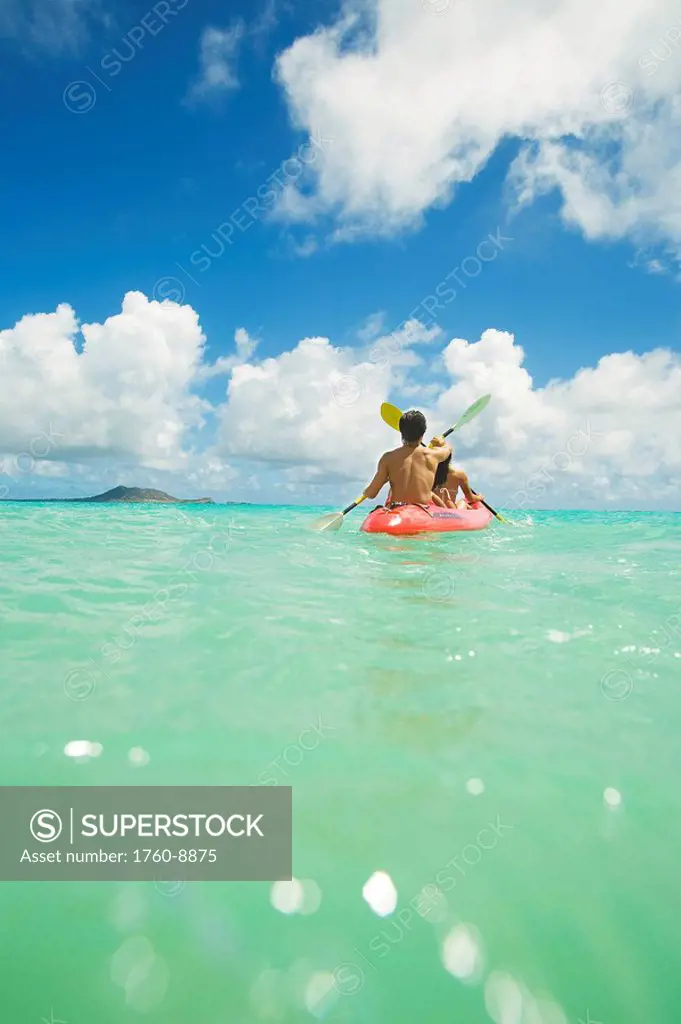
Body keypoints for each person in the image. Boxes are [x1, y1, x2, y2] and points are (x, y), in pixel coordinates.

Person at [362, 409, 452, 507]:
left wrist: (370, 489)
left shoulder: (388, 458)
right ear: (423, 432)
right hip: (422, 510)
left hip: (397, 509)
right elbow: (448, 450)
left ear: (401, 431)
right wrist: (442, 442)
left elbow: (371, 494)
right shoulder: (432, 455)